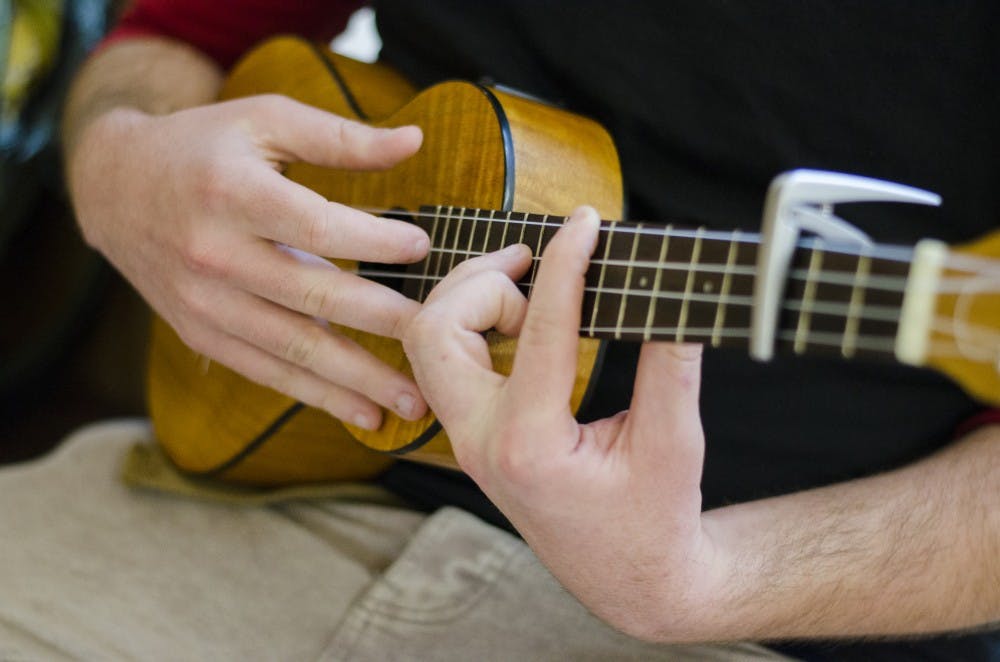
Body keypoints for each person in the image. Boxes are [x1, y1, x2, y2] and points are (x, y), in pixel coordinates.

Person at [1, 1, 996, 659]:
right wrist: (118, 162)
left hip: (758, 622)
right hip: (274, 487)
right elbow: (173, 37)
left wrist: (700, 581)